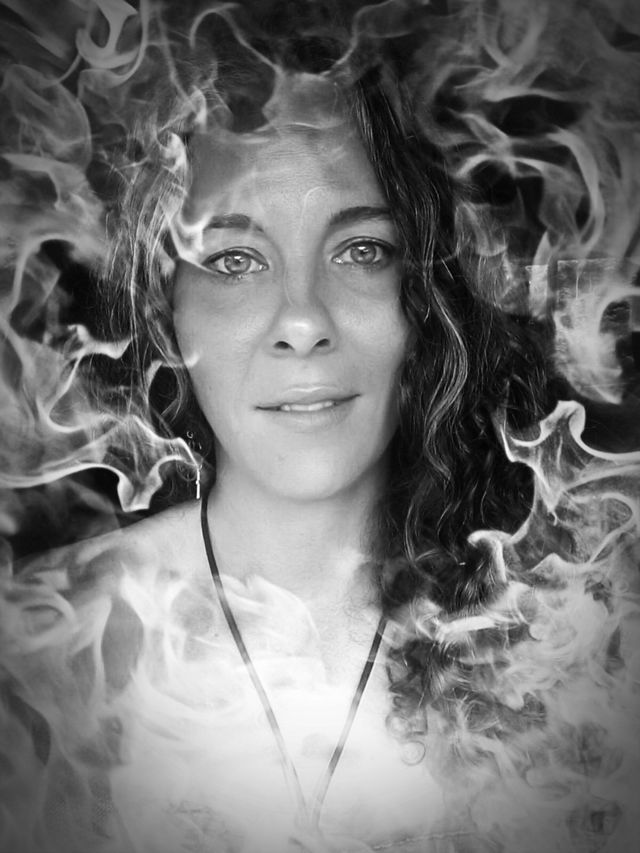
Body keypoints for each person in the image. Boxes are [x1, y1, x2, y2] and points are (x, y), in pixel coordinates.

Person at [2, 3, 637, 853]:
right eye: (233, 259)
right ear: (165, 313)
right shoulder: (33, 652)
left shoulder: (577, 632)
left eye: (361, 250)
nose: (302, 320)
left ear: (426, 295)